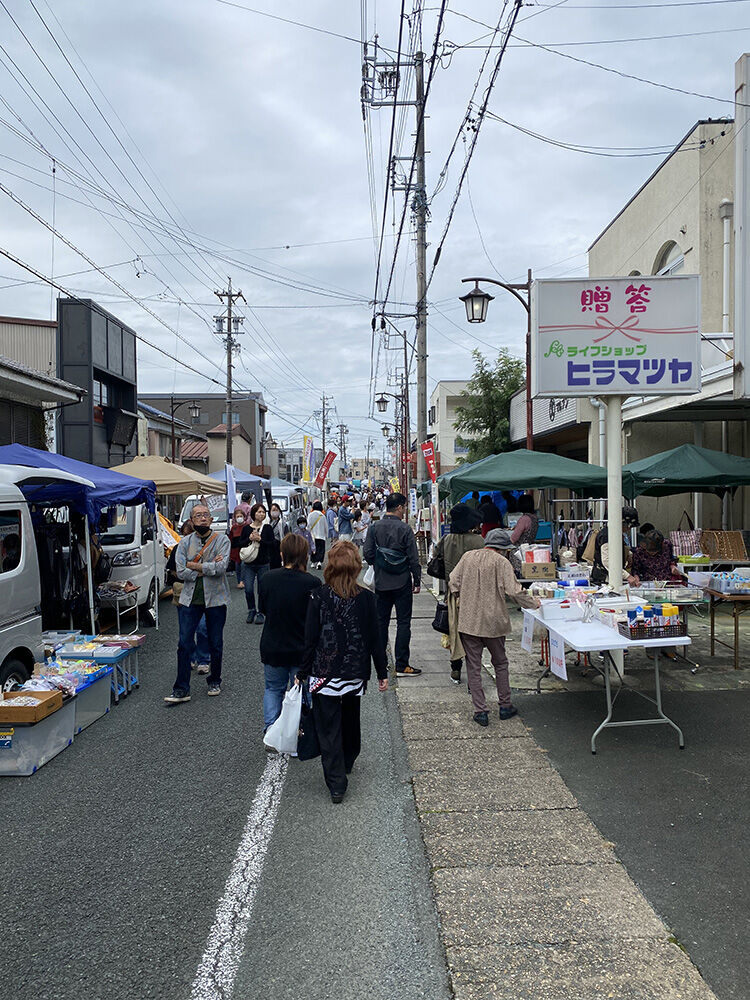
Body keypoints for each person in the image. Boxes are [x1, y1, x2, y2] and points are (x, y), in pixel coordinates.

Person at [297, 540, 388, 803]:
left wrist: (302, 672)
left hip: (323, 672)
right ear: (356, 567)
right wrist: (381, 672)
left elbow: (310, 638)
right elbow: (375, 639)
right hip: (354, 670)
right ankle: (348, 759)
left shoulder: (318, 596)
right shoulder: (367, 599)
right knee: (350, 719)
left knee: (328, 728)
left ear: (330, 566)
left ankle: (337, 784)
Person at [449, 529, 540, 727]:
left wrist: (462, 598)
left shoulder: (467, 557)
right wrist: (534, 603)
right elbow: (514, 591)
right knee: (500, 663)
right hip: (494, 621)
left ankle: (480, 711)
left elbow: (453, 581)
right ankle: (505, 705)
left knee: (473, 666)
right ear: (504, 548)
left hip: (469, 621)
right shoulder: (502, 562)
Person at [164, 503, 230, 703]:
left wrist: (194, 565)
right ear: (191, 521)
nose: (202, 518)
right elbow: (180, 571)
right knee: (184, 643)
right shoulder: (184, 543)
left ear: (211, 519)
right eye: (198, 515)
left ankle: (215, 680)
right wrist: (206, 568)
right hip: (190, 599)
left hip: (216, 599)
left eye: (205, 515)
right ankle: (181, 688)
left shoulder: (222, 540)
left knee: (215, 643)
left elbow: (221, 567)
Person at [258, 533, 321, 740]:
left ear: (282, 554)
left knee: (273, 689)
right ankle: (298, 733)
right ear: (305, 555)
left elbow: (263, 608)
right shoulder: (312, 582)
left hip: (273, 644)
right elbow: (317, 618)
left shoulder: (267, 578)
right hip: (302, 647)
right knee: (301, 691)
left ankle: (271, 731)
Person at [363, 491, 422, 677]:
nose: (404, 511)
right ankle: (402, 665)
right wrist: (417, 579)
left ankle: (382, 664)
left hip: (381, 582)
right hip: (402, 581)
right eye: (404, 507)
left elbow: (367, 553)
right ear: (399, 507)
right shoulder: (405, 529)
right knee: (403, 623)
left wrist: (379, 564)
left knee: (381, 623)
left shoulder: (374, 528)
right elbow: (413, 558)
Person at [429, 503, 484, 683]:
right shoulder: (478, 541)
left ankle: (455, 668)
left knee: (454, 632)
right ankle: (473, 673)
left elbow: (435, 556)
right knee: (473, 635)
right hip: (474, 594)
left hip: (453, 594)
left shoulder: (446, 539)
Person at [166, 519, 210, 675]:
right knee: (186, 630)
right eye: (185, 534)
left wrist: (190, 571)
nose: (187, 537)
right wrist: (195, 573)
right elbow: (173, 571)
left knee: (203, 628)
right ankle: (190, 657)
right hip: (184, 593)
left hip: (203, 593)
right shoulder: (178, 548)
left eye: (190, 534)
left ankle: (204, 659)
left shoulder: (207, 548)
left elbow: (214, 569)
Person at [240, 503, 275, 624]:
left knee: (262, 589)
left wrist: (260, 540)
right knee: (248, 589)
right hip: (248, 563)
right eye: (259, 512)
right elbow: (240, 544)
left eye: (263, 512)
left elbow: (272, 544)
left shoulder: (267, 528)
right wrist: (249, 539)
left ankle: (261, 612)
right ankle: (251, 609)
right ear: (253, 513)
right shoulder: (246, 528)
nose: (261, 514)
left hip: (263, 563)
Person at [591, 506, 640, 585]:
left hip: (612, 577)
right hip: (604, 578)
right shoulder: (607, 535)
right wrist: (627, 576)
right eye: (630, 526)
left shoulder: (616, 534)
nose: (629, 529)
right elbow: (607, 561)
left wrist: (629, 555)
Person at [227, 508, 247, 588]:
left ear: (244, 517)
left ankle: (243, 581)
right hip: (236, 551)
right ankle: (239, 581)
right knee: (237, 566)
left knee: (243, 565)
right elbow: (231, 539)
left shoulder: (247, 526)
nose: (239, 518)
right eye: (237, 516)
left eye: (240, 516)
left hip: (245, 550)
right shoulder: (234, 527)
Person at [307, 501, 328, 569]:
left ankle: (313, 562)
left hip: (313, 536)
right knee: (321, 549)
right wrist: (326, 535)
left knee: (313, 549)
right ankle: (319, 562)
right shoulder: (322, 516)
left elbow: (308, 526)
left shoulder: (310, 515)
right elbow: (325, 526)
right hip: (321, 536)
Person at [268, 502, 285, 569]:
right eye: (273, 510)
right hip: (269, 546)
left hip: (278, 545)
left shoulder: (283, 523)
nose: (275, 512)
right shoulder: (267, 522)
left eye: (276, 510)